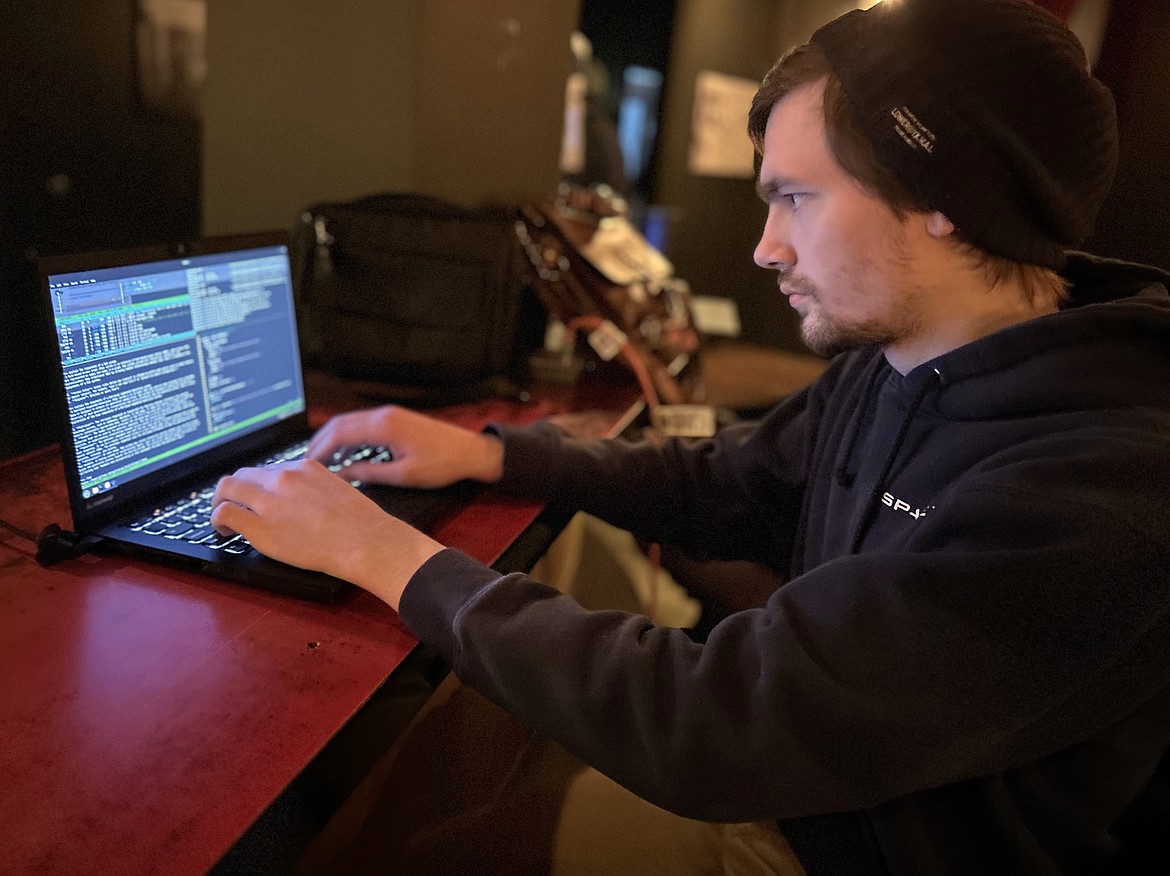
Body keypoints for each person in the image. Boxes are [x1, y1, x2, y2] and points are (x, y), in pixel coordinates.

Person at [212, 0, 1170, 872]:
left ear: (944, 199)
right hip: (804, 796)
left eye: (798, 197)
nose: (765, 246)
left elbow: (722, 727)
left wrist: (387, 555)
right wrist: (498, 452)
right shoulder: (901, 360)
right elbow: (729, 478)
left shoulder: (1100, 486)